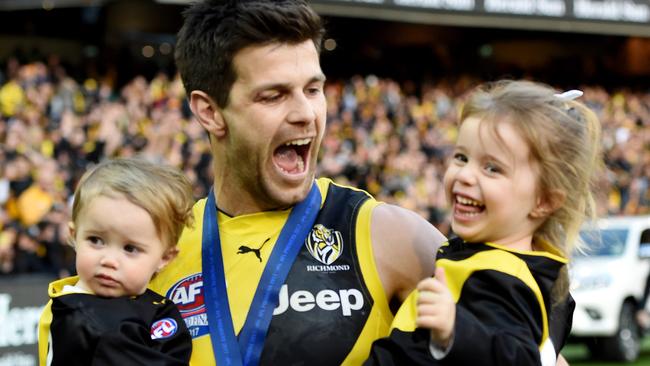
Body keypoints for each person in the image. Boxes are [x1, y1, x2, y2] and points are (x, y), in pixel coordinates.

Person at [148, 1, 445, 365]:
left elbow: (509, 334)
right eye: (273, 96)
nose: (306, 114)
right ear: (210, 111)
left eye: (313, 90)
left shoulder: (388, 236)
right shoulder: (156, 251)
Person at [364, 80, 602, 366]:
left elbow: (522, 359)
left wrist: (456, 332)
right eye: (462, 157)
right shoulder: (495, 260)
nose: (465, 175)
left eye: (492, 168)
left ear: (544, 201)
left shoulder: (504, 277)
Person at [37, 157, 195, 366]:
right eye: (96, 240)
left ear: (165, 257)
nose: (109, 260)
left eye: (130, 248)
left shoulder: (161, 311)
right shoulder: (73, 317)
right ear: (74, 236)